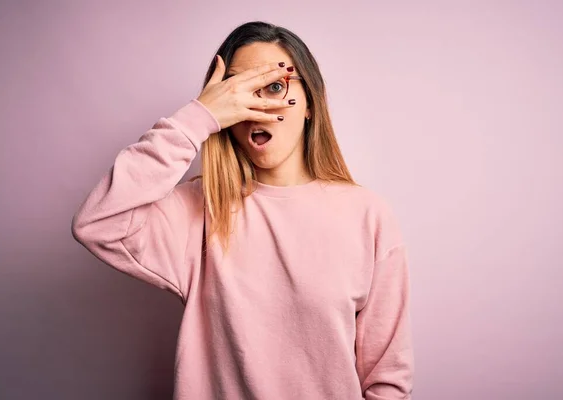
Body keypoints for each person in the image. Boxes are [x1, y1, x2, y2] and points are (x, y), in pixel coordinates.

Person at [72, 20, 414, 400]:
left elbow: (387, 379)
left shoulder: (367, 216)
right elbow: (98, 222)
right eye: (238, 91)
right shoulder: (200, 210)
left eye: (273, 86)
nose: (255, 106)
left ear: (310, 105)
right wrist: (199, 117)